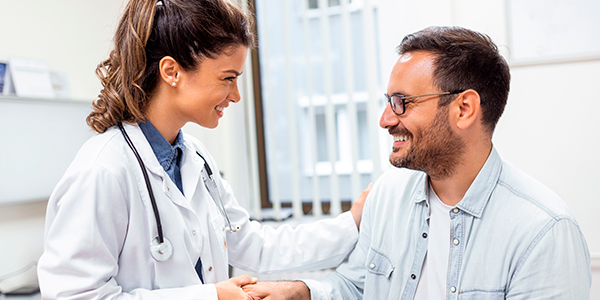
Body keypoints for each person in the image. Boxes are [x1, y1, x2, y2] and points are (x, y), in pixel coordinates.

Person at [36, 0, 371, 299]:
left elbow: (250, 244)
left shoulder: (194, 158)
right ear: (172, 72)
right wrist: (212, 296)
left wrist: (351, 223)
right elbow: (75, 295)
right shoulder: (104, 170)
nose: (236, 95)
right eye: (228, 78)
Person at [243, 26, 592, 299]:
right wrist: (300, 292)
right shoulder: (388, 195)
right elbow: (356, 287)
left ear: (464, 109)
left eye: (402, 102)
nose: (385, 119)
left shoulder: (543, 232)